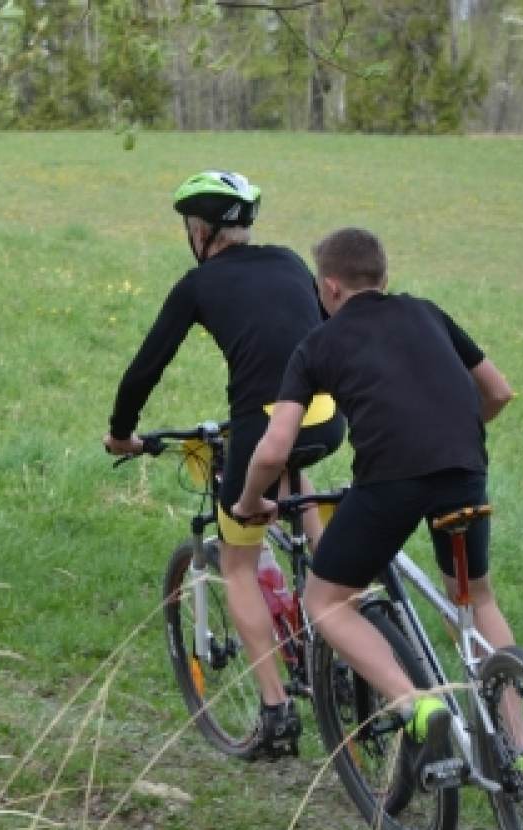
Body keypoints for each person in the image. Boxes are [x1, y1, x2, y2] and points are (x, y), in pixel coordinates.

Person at [231, 227, 523, 779]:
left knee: (326, 600)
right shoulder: (427, 312)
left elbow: (274, 450)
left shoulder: (317, 345)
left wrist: (250, 500)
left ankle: (414, 703)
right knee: (476, 599)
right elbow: (498, 392)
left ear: (329, 287)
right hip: (465, 470)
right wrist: (454, 438)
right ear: (384, 277)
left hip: (390, 482)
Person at [104, 170, 345, 757]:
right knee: (293, 472)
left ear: (201, 231)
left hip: (263, 426)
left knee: (237, 566)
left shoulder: (198, 284)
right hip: (326, 418)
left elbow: (146, 367)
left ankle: (275, 710)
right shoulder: (290, 261)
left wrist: (122, 434)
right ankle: (331, 592)